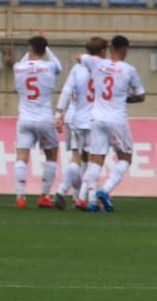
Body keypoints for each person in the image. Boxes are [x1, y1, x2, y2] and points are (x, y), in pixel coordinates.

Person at [77, 35, 145, 212]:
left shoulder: (97, 63)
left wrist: (94, 61)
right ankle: (105, 191)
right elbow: (141, 95)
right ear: (125, 50)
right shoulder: (129, 69)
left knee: (96, 160)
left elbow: (79, 57)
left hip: (97, 118)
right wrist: (126, 98)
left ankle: (92, 201)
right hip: (116, 119)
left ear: (110, 49)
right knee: (125, 157)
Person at [12, 36, 61, 209]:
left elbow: (24, 60)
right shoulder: (50, 66)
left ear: (29, 49)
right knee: (52, 156)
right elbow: (59, 67)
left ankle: (20, 197)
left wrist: (30, 50)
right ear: (45, 50)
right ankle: (44, 196)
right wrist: (46, 48)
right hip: (44, 119)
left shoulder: (18, 67)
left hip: (24, 118)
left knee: (21, 158)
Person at [54, 35, 104, 209]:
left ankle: (64, 193)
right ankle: (83, 197)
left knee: (77, 159)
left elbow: (66, 91)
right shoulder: (104, 68)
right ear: (103, 51)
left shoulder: (77, 68)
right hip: (93, 121)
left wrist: (58, 114)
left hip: (75, 119)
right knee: (92, 161)